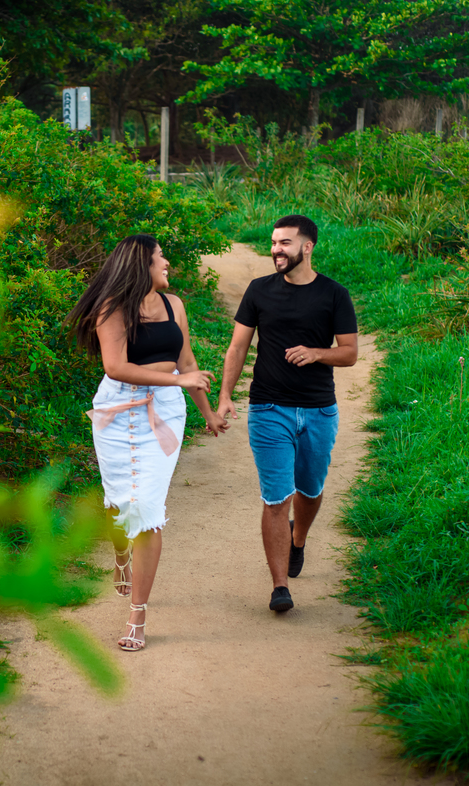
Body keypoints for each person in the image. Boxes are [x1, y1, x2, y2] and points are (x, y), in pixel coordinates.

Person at [68, 234, 228, 651]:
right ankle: (121, 553)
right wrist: (179, 379)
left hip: (165, 409)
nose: (167, 262)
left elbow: (187, 363)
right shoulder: (112, 308)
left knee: (147, 508)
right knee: (120, 503)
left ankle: (137, 614)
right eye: (160, 256)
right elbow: (115, 367)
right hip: (118, 411)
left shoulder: (174, 305)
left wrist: (208, 412)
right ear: (142, 264)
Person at [216, 215, 357, 613]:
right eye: (274, 243)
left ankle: (299, 539)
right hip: (268, 408)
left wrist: (316, 353)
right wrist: (225, 395)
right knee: (277, 497)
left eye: (285, 243)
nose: (276, 249)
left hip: (318, 411)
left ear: (307, 247)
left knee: (309, 492)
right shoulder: (259, 290)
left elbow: (349, 352)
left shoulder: (334, 295)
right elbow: (237, 347)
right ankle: (280, 586)